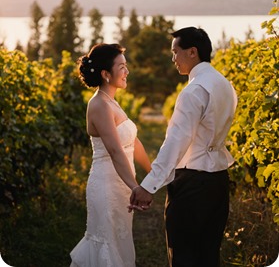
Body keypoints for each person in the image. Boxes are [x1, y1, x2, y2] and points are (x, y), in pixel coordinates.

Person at [130, 27, 238, 267]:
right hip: (219, 181)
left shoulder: (194, 90)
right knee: (209, 254)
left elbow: (175, 142)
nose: (173, 59)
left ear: (192, 52)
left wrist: (149, 185)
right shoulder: (225, 85)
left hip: (192, 183)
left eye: (175, 52)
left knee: (183, 255)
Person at [70, 43, 151, 267]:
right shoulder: (98, 105)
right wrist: (136, 187)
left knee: (120, 242)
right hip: (106, 186)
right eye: (122, 67)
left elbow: (133, 143)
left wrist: (154, 174)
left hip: (121, 185)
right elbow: (115, 151)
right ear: (106, 74)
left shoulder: (113, 103)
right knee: (106, 244)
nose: (127, 72)